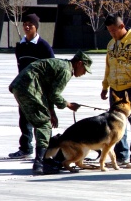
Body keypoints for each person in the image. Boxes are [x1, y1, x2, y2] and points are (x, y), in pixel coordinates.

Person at [9, 50, 92, 175]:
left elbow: (48, 91)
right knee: (43, 125)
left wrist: (52, 112)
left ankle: (45, 159)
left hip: (23, 87)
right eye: (84, 69)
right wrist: (68, 105)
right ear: (79, 63)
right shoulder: (66, 71)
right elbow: (54, 94)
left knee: (41, 122)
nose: (84, 73)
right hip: (29, 88)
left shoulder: (62, 65)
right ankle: (40, 163)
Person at [101, 14, 131, 168]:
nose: (112, 34)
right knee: (116, 124)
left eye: (114, 30)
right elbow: (108, 67)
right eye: (109, 31)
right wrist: (105, 86)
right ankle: (121, 155)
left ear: (122, 26)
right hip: (115, 89)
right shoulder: (111, 45)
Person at [9, 13, 55, 159]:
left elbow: (52, 69)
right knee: (24, 120)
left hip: (38, 91)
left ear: (36, 27)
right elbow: (20, 67)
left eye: (30, 24)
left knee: (39, 121)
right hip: (23, 91)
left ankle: (43, 152)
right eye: (25, 24)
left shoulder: (44, 46)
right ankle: (25, 148)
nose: (27, 27)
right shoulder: (20, 46)